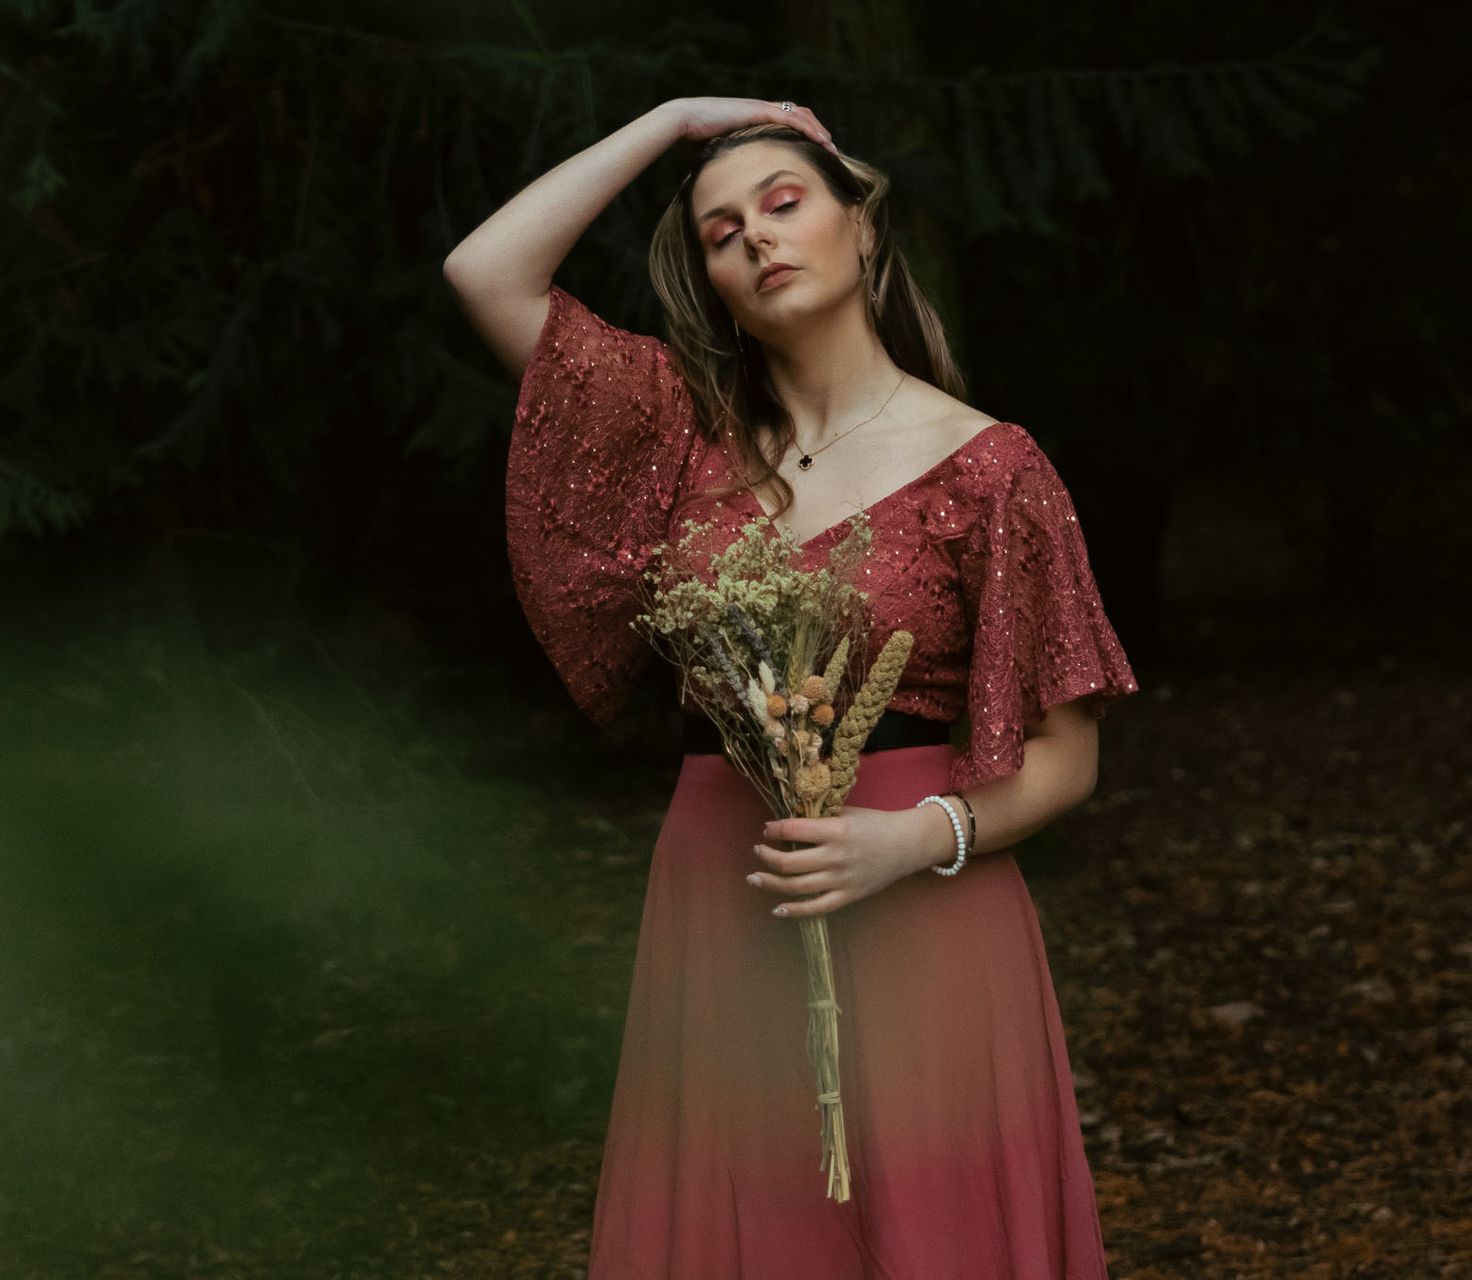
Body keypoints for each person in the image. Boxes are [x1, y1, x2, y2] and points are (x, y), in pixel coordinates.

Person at [443, 97, 1139, 1279]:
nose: (758, 239)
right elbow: (484, 270)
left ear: (861, 227)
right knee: (745, 1231)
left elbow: (1067, 754)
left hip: (926, 896)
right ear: (711, 280)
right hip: (727, 884)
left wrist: (915, 839)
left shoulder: (994, 464)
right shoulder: (676, 432)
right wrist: (672, 125)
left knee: (937, 1237)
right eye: (722, 233)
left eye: (784, 202)